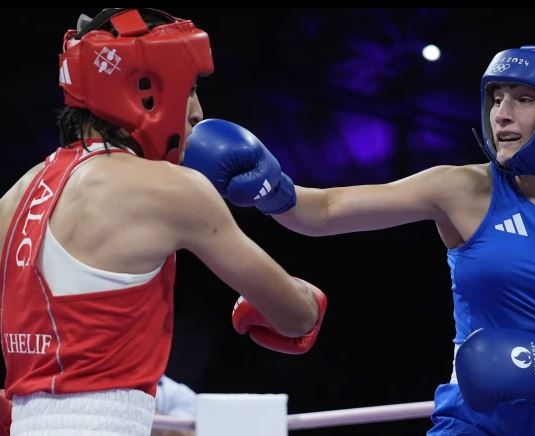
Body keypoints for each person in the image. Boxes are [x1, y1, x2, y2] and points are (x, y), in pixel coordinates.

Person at [183, 45, 535, 435]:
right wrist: (274, 190)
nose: (501, 114)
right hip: (475, 422)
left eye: (523, 99)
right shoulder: (462, 189)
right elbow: (325, 210)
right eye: (496, 97)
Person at [0, 8, 327, 436]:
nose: (197, 113)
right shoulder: (174, 188)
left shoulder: (15, 198)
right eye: (189, 90)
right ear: (145, 90)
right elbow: (296, 317)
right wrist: (306, 296)